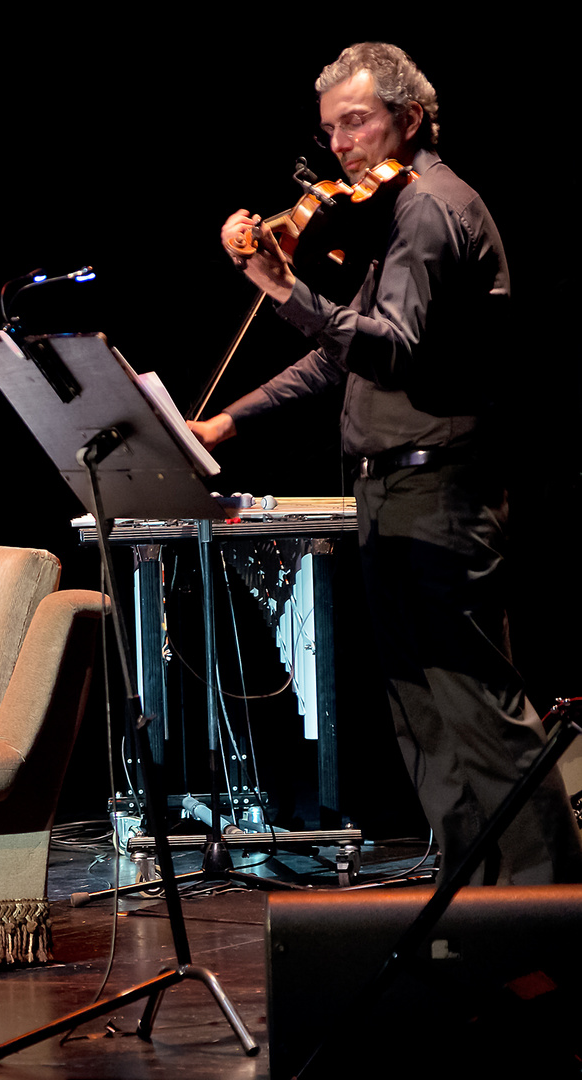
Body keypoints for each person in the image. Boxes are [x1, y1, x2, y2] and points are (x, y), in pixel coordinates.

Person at [189, 43, 580, 884]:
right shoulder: (395, 215)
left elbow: (392, 348)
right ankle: (472, 911)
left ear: (408, 117)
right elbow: (341, 359)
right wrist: (230, 421)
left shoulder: (433, 210)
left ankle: (550, 913)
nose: (341, 145)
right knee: (420, 715)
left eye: (356, 122)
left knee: (478, 713)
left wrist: (287, 292)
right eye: (330, 130)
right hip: (392, 492)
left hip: (438, 491)